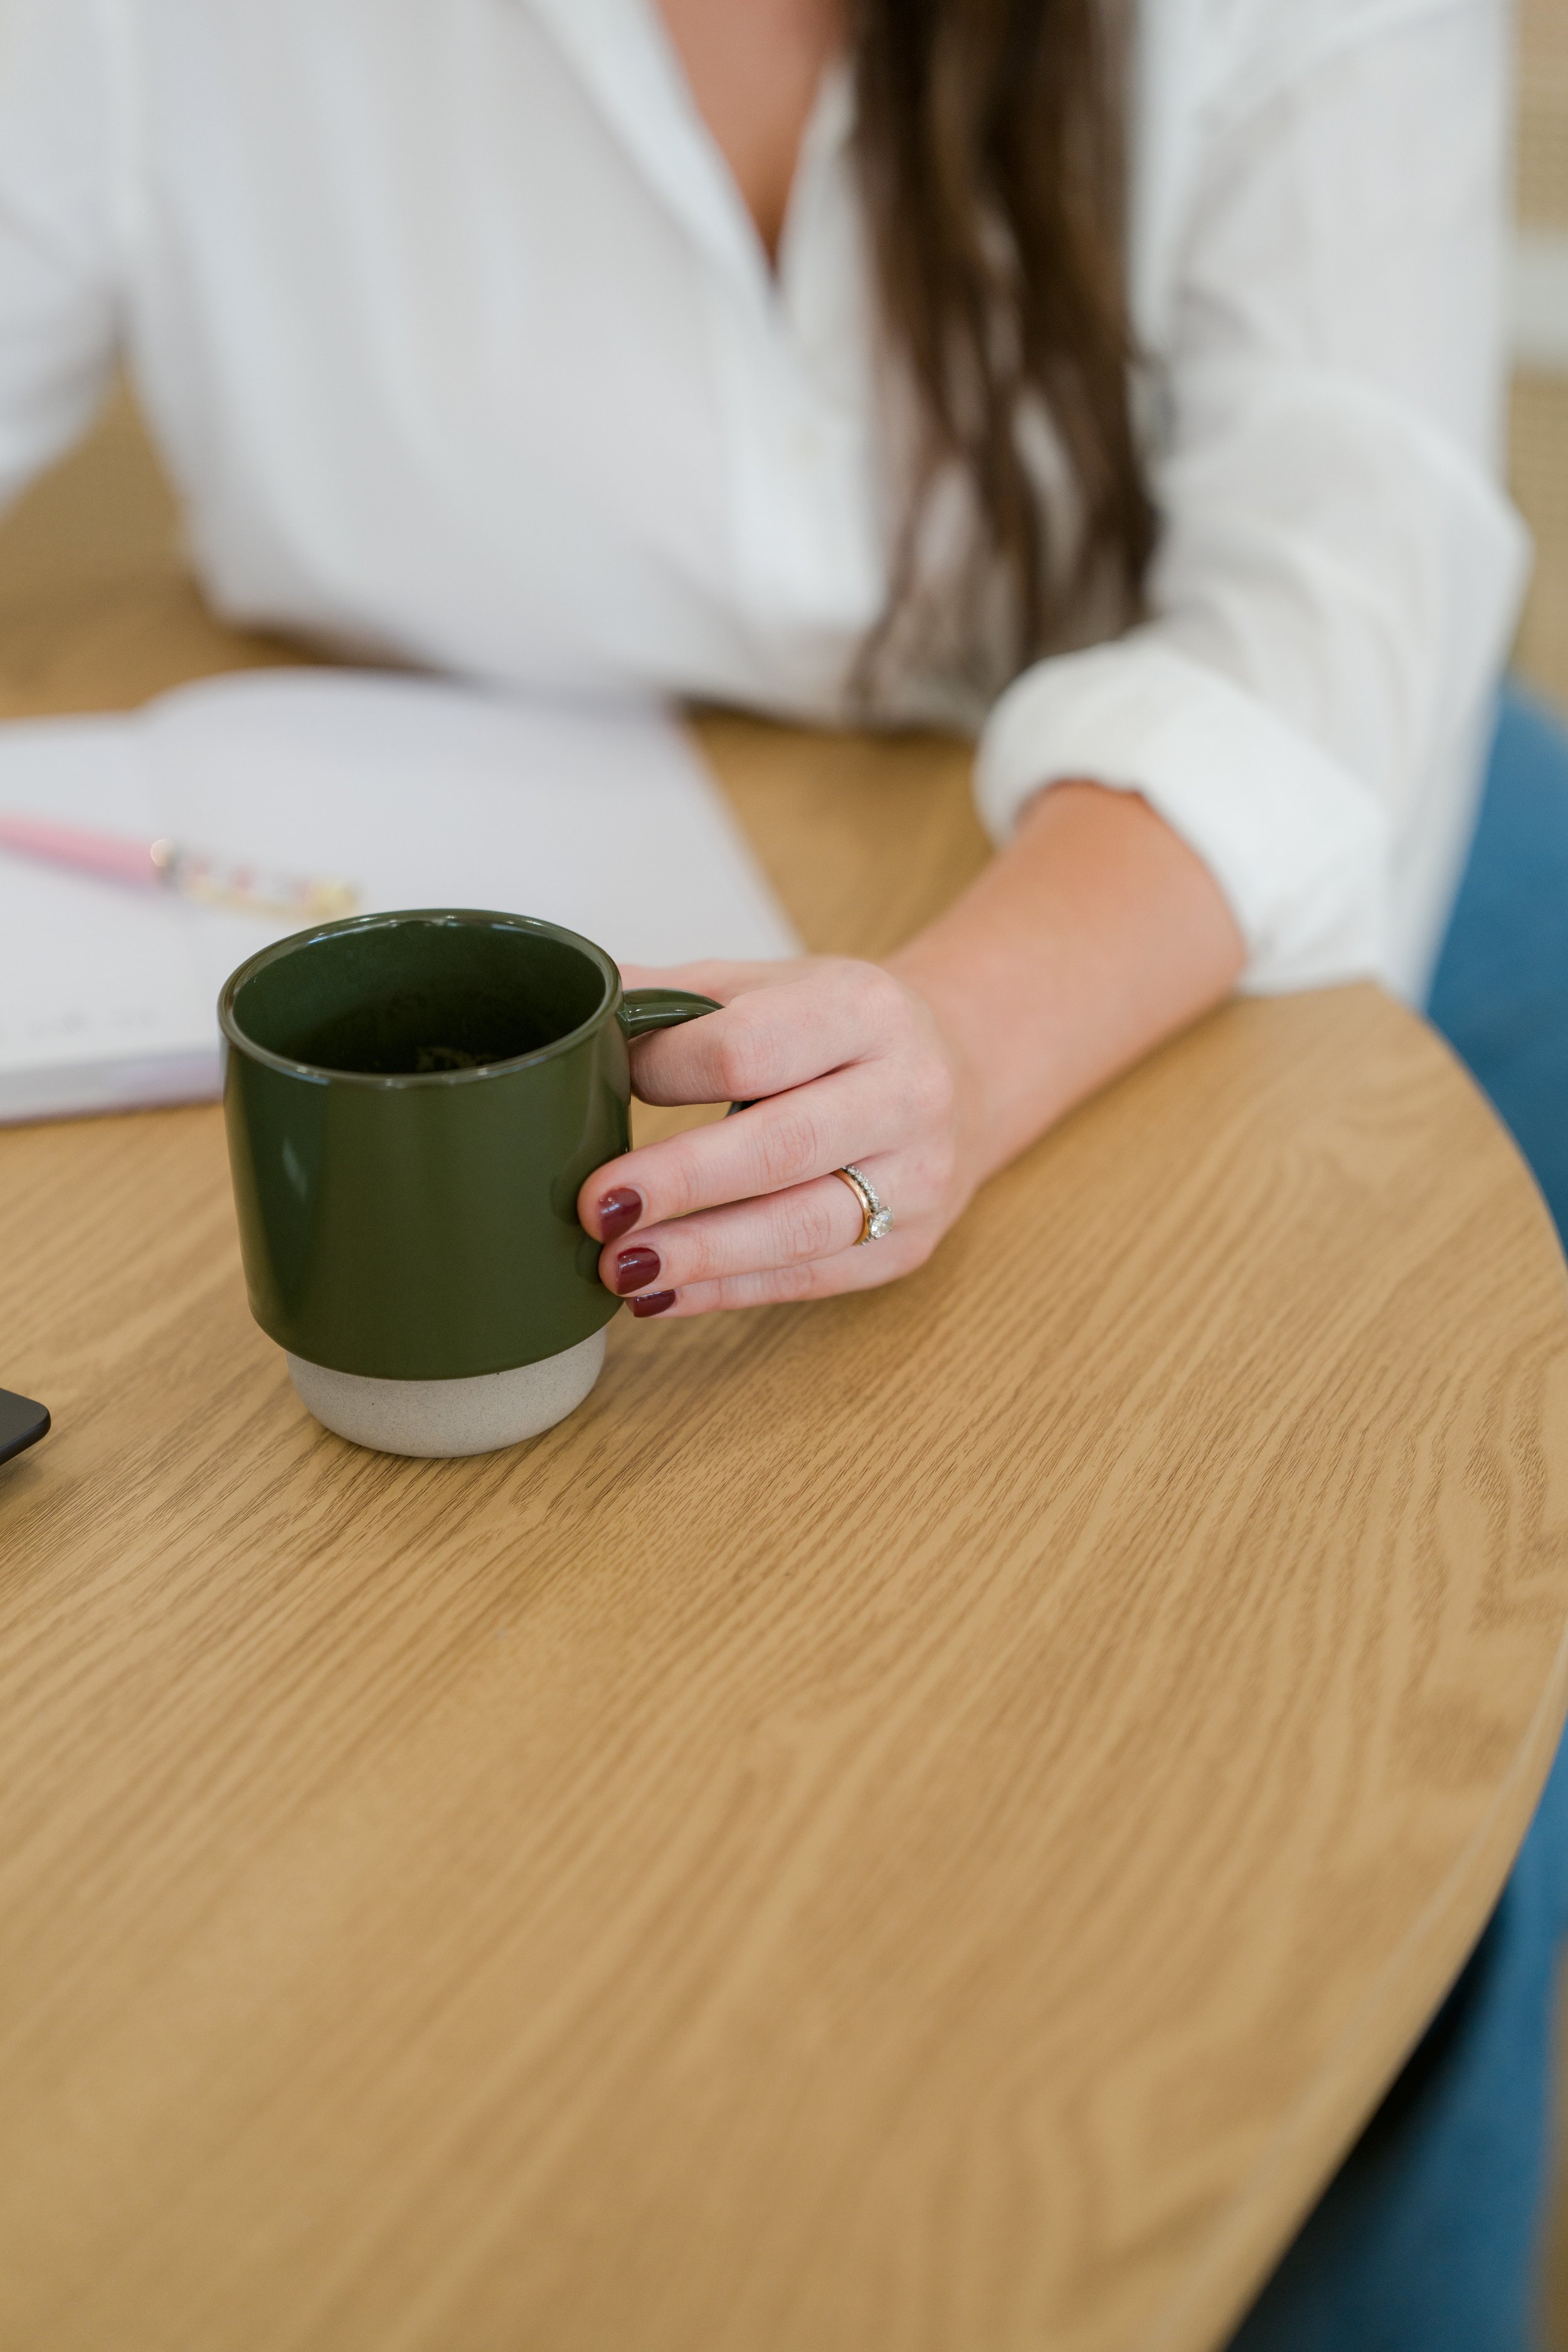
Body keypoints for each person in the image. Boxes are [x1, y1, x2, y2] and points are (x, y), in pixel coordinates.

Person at [0, 0, 1557, 2340]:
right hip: (406, 876)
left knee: (1267, 1850)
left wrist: (956, 1049)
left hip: (1169, 956)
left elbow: (1349, 588)